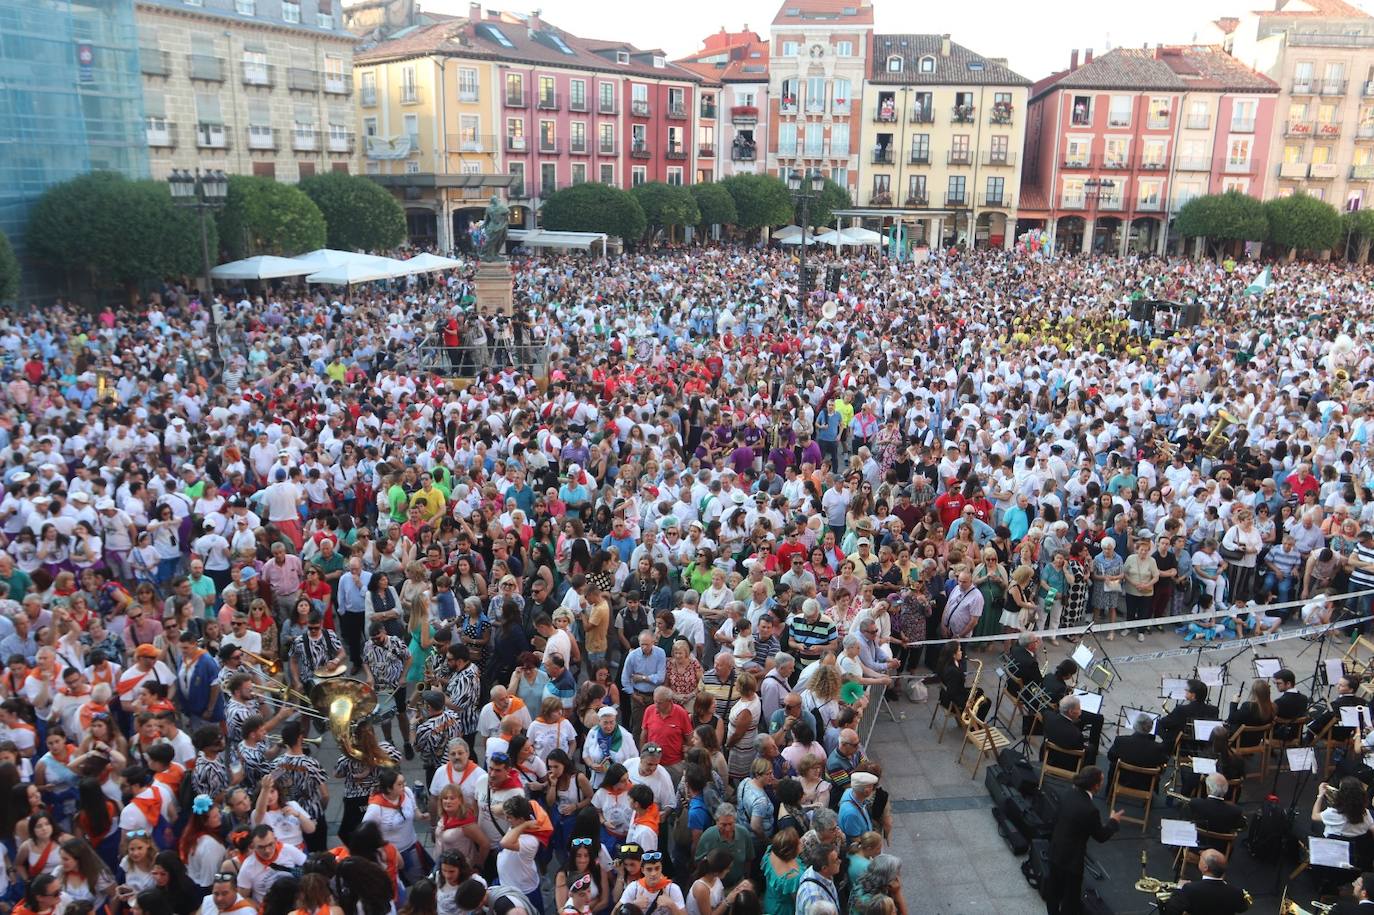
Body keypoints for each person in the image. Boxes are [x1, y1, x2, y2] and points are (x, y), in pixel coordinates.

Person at [1044, 766, 1122, 915]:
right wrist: (1113, 822)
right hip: (1072, 861)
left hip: (1055, 851)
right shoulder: (1090, 810)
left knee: (1053, 893)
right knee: (1071, 899)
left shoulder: (1067, 794)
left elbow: (1056, 819)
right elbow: (1100, 836)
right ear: (1096, 786)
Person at [1161, 849, 1251, 915]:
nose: (1200, 856)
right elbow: (1242, 908)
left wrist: (1179, 889)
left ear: (1205, 868)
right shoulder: (1236, 892)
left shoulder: (1189, 889)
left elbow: (1171, 911)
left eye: (1201, 858)